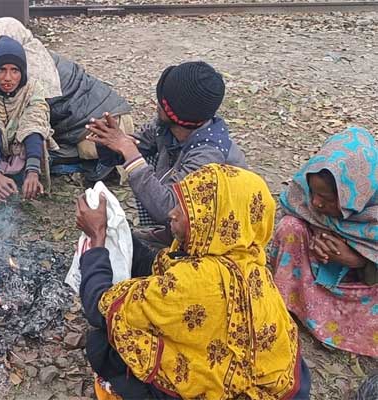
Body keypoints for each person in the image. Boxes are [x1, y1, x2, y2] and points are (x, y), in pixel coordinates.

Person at [76, 164, 310, 399]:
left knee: (103, 344)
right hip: (286, 384)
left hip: (238, 391)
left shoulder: (194, 282)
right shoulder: (248, 261)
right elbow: (159, 264)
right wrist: (119, 232)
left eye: (186, 208)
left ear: (210, 219)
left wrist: (97, 239)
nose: (172, 213)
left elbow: (101, 308)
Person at [88, 61, 246, 246]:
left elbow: (169, 208)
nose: (157, 105)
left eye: (162, 102)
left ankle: (183, 243)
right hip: (190, 219)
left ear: (174, 113)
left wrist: (129, 152)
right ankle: (170, 236)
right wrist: (109, 139)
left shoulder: (208, 156)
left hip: (218, 238)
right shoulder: (167, 128)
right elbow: (126, 150)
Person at [0, 17, 132, 178]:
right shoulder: (33, 52)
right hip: (110, 110)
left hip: (105, 127)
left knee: (35, 149)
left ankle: (101, 162)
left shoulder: (35, 77)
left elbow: (31, 121)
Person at [271, 127, 377, 357]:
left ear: (353, 196)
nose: (316, 204)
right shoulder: (305, 192)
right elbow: (294, 206)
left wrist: (357, 260)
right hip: (312, 274)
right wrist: (315, 234)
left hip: (358, 289)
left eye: (327, 199)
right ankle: (293, 303)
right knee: (290, 227)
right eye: (314, 193)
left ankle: (337, 324)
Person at [0, 35, 57, 201]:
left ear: (22, 72)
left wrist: (33, 171)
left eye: (15, 70)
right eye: (1, 70)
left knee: (40, 139)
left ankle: (27, 180)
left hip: (20, 147)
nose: (8, 78)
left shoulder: (32, 88)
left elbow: (34, 124)